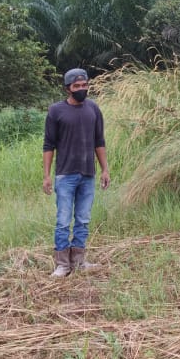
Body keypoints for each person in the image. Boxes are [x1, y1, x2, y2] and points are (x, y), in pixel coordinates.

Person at [43, 68, 111, 277]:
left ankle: (80, 260)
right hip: (65, 175)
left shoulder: (93, 109)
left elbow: (99, 141)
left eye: (85, 85)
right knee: (63, 220)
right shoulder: (56, 111)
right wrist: (46, 175)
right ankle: (63, 264)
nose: (82, 89)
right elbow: (48, 145)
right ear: (68, 88)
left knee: (83, 219)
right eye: (77, 86)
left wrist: (105, 169)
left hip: (87, 174)